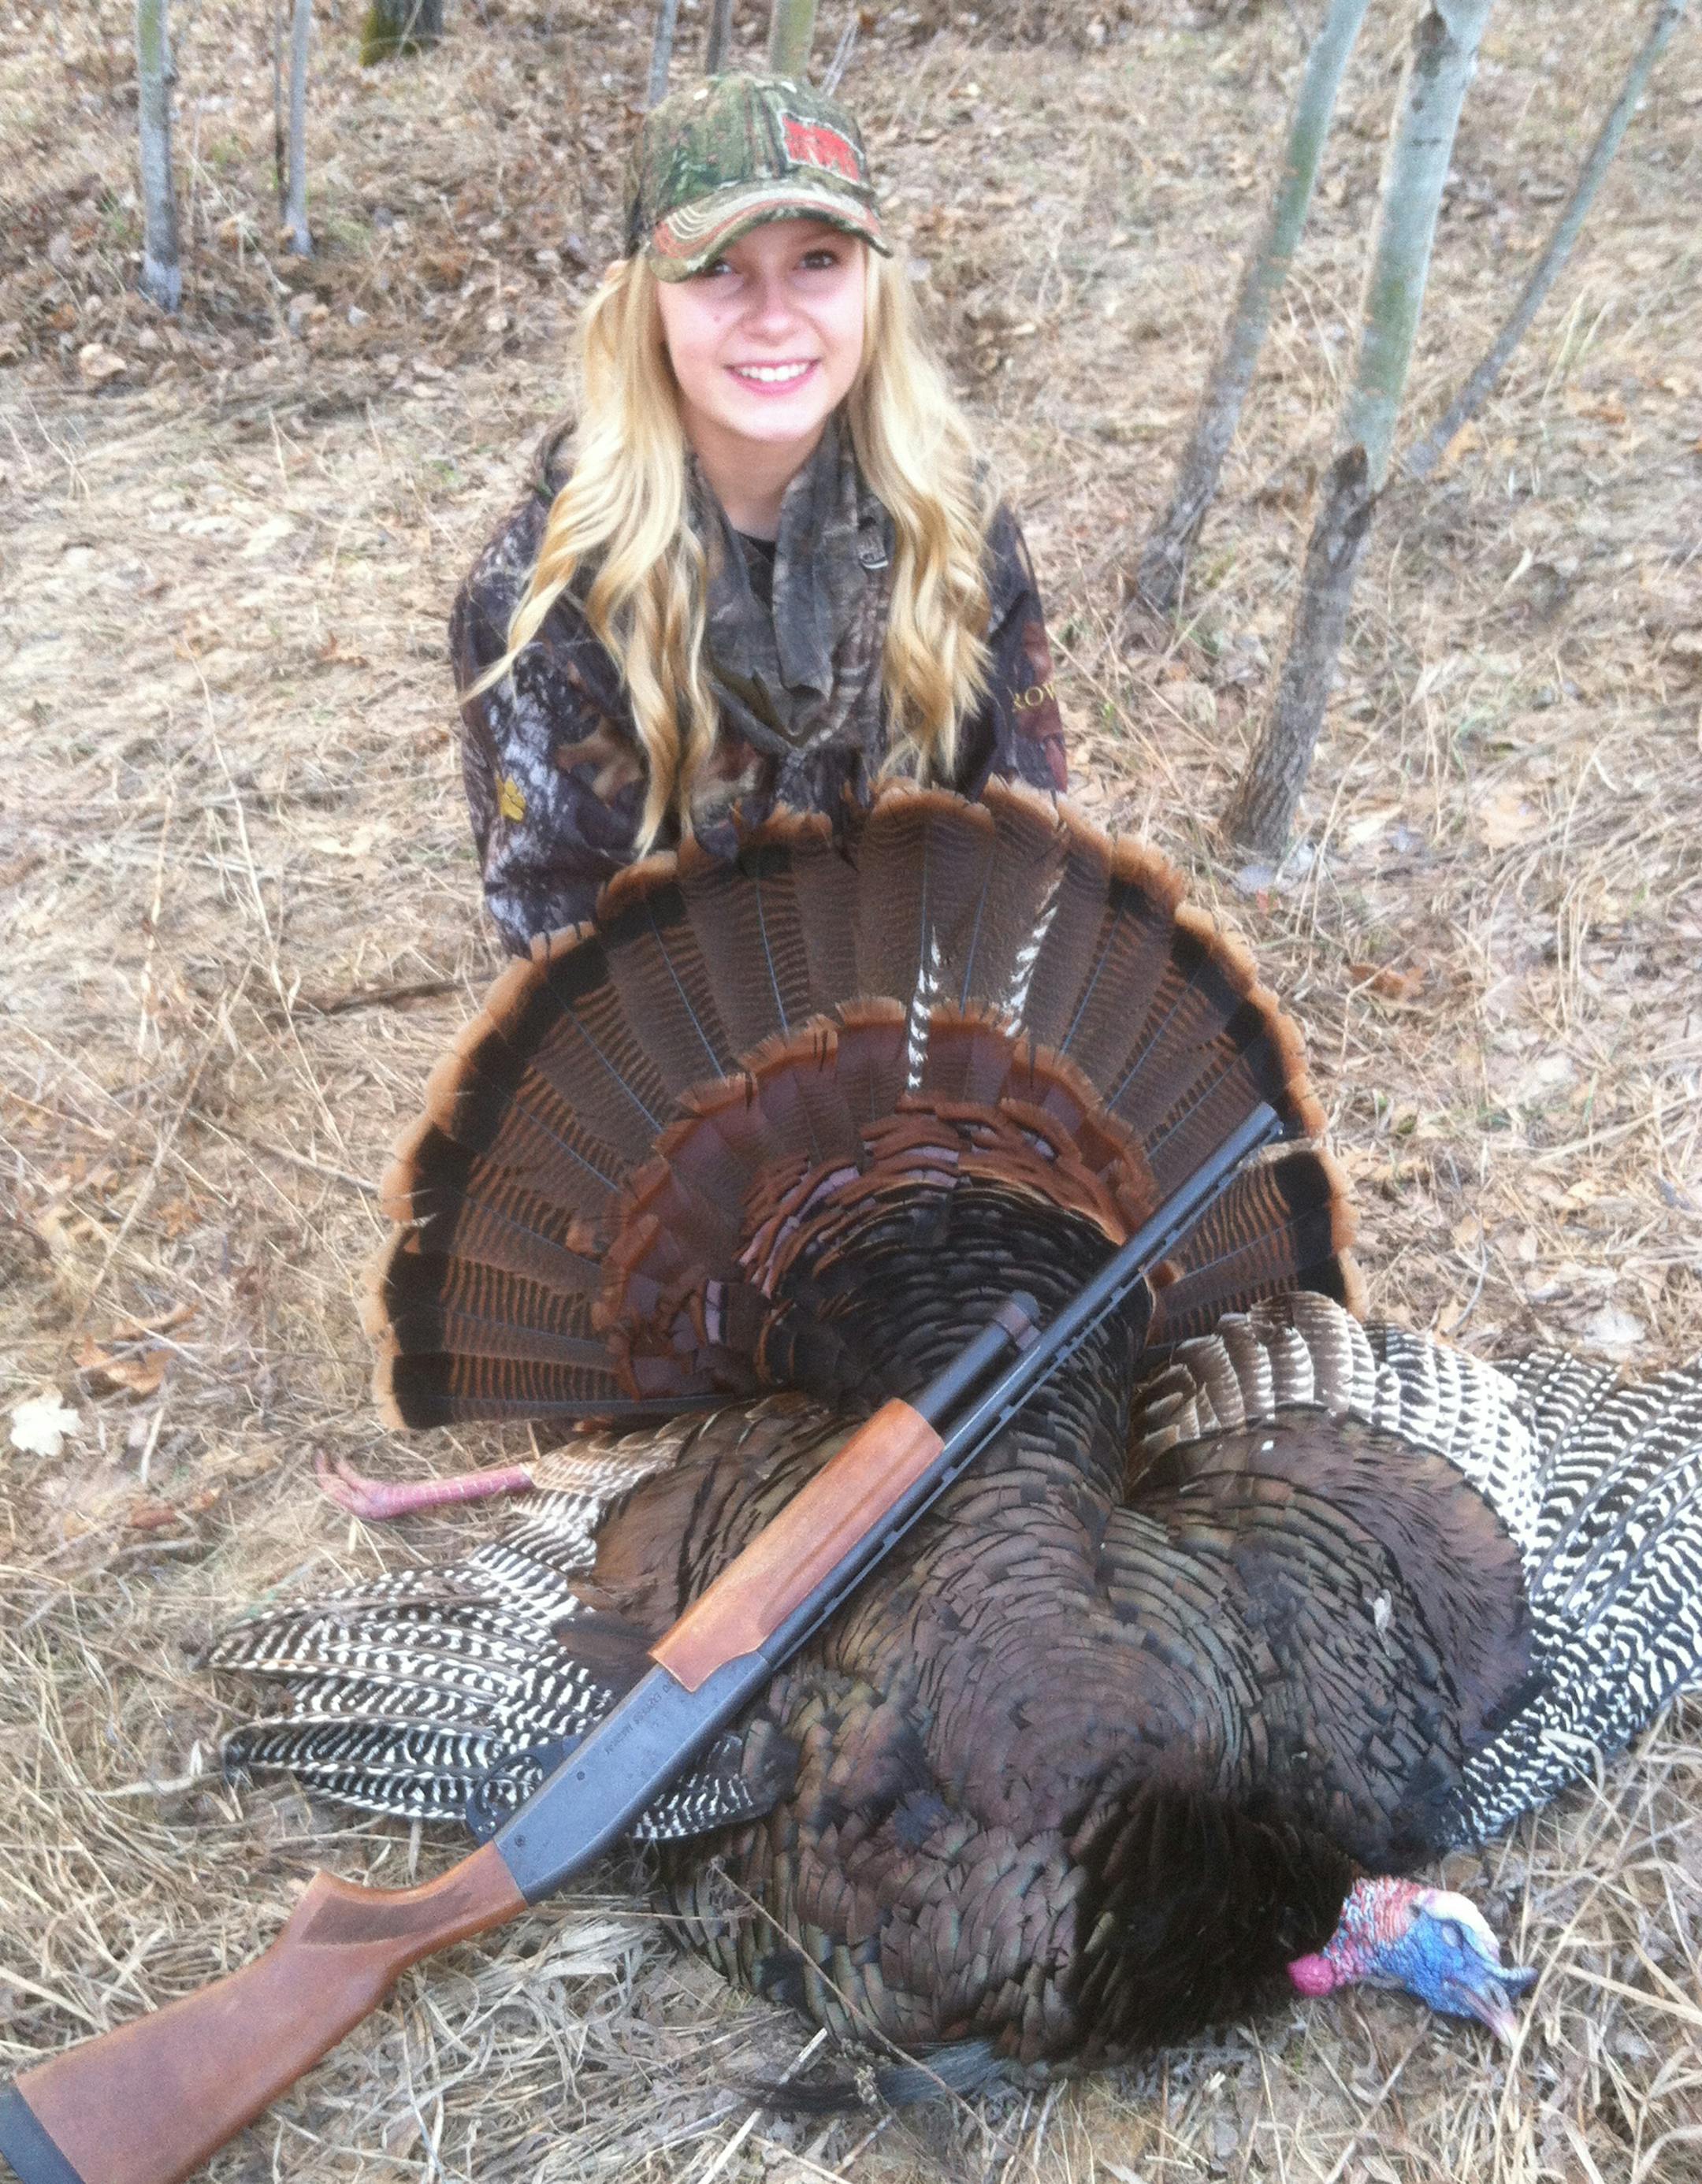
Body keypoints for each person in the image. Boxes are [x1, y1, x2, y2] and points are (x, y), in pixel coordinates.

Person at [452, 72, 1070, 956]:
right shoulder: (541, 595)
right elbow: (579, 959)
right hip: (688, 1036)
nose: (775, 319)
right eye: (718, 269)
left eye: (818, 261)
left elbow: (1022, 856)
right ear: (646, 303)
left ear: (871, 285)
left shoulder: (954, 521)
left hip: (933, 1018)